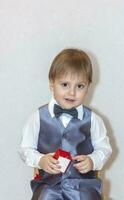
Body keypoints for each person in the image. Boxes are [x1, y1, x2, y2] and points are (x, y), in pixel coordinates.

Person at [19, 48, 112, 200]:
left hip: (82, 187)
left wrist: (92, 160)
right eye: (65, 85)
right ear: (52, 84)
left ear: (88, 87)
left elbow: (104, 149)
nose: (72, 92)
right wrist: (40, 160)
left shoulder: (93, 119)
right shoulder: (37, 117)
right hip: (49, 185)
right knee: (44, 197)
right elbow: (25, 149)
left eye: (79, 86)